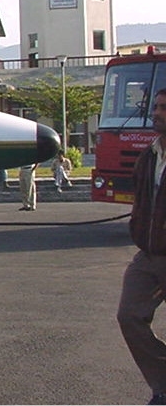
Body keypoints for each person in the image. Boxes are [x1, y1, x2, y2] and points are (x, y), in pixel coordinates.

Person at [118, 88, 166, 404]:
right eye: (157, 107)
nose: (157, 113)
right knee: (129, 316)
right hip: (149, 255)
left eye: (164, 108)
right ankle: (163, 384)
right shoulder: (149, 156)